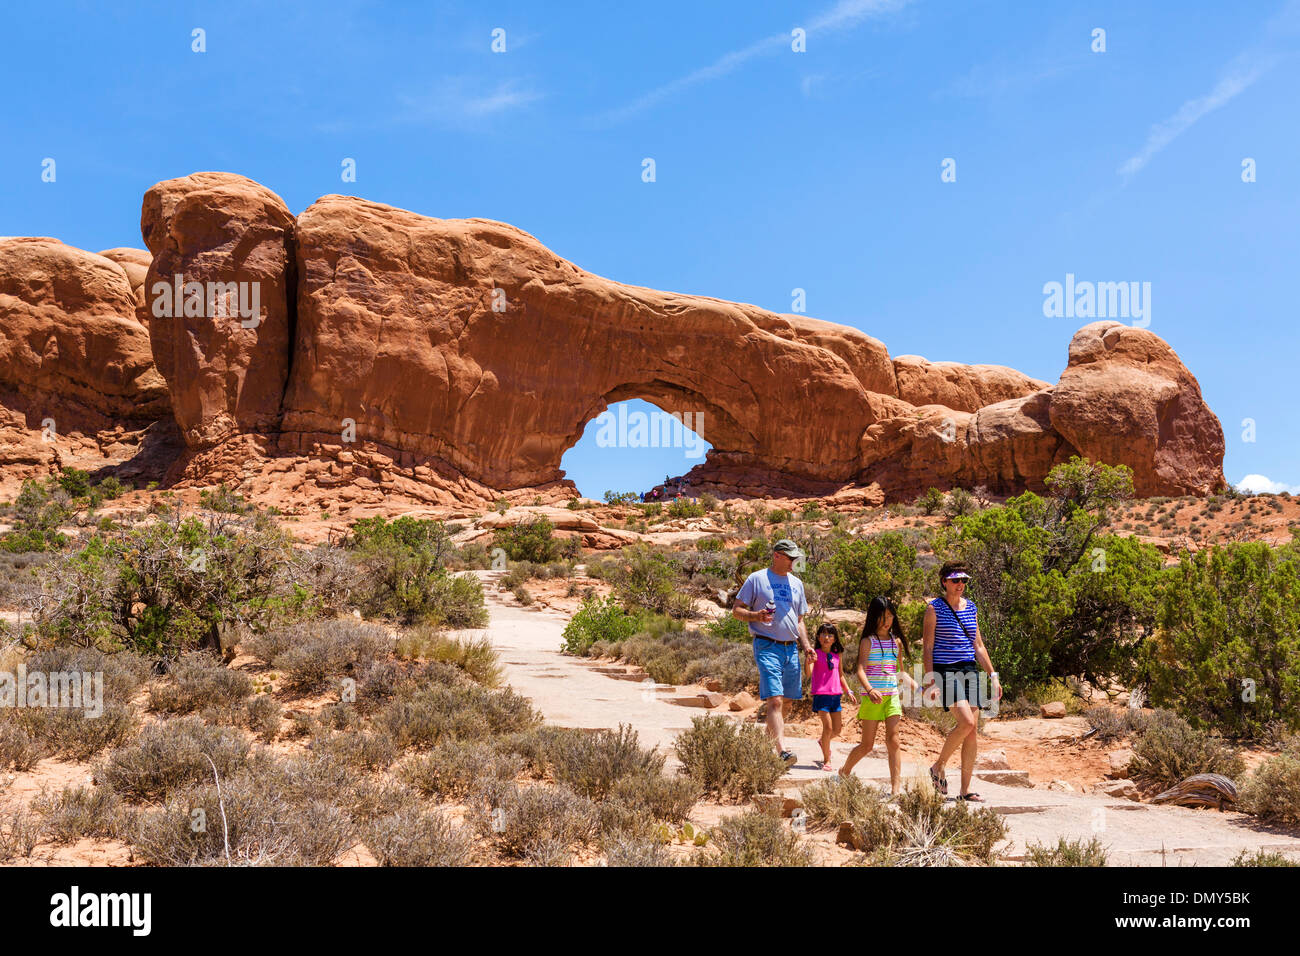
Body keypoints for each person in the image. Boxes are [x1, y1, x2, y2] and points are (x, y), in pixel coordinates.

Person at [923, 561, 1002, 802]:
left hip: (969, 669)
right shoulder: (934, 608)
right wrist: (931, 680)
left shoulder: (971, 608)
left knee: (972, 733)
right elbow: (927, 646)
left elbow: (978, 646)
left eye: (964, 580)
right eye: (955, 580)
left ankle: (965, 790)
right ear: (944, 581)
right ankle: (938, 767)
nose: (960, 585)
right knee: (966, 722)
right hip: (946, 670)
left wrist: (993, 675)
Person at [733, 539, 812, 766]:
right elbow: (736, 610)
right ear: (777, 555)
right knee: (775, 701)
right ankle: (783, 751)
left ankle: (764, 747)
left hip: (791, 649)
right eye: (790, 558)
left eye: (796, 558)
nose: (794, 562)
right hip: (767, 645)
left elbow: (799, 620)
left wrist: (806, 646)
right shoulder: (756, 579)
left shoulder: (797, 583)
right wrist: (757, 616)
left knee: (787, 701)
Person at [839, 597, 915, 793]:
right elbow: (860, 669)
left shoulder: (895, 641)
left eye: (890, 616)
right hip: (873, 698)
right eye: (882, 616)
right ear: (874, 617)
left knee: (894, 740)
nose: (887, 620)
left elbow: (901, 671)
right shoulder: (867, 641)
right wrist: (870, 689)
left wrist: (919, 687)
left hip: (892, 697)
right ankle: (844, 771)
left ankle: (895, 789)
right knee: (867, 745)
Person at [806, 622, 857, 772]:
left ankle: (823, 741)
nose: (827, 637)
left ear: (834, 639)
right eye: (823, 634)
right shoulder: (815, 653)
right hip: (821, 695)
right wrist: (807, 661)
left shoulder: (837, 655)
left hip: (836, 696)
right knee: (827, 727)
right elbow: (808, 673)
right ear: (818, 637)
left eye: (830, 635)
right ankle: (826, 760)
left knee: (837, 730)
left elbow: (840, 675)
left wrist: (848, 691)